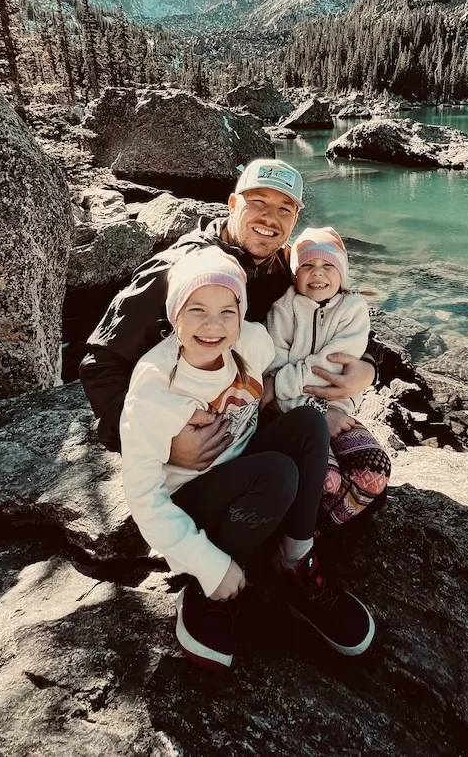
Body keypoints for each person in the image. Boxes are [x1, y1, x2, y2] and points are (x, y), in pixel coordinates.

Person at [120, 246, 375, 672]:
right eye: (196, 309)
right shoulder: (154, 387)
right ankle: (212, 588)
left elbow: (304, 363)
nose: (213, 325)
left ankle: (294, 561)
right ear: (174, 316)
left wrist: (367, 367)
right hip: (193, 494)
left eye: (227, 310)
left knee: (308, 425)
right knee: (277, 475)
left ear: (241, 314)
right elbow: (143, 496)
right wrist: (207, 565)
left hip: (244, 467)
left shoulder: (252, 342)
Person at [80, 158, 378, 464]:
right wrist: (159, 441)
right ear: (232, 204)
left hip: (258, 413)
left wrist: (367, 367)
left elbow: (341, 310)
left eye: (284, 209)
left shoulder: (284, 269)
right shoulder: (179, 271)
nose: (269, 217)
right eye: (258, 202)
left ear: (295, 219)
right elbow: (100, 363)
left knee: (367, 476)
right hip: (192, 429)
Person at [266, 227, 391, 531]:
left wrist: (332, 410)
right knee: (328, 478)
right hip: (292, 415)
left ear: (342, 272)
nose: (317, 273)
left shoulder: (353, 309)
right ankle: (299, 532)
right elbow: (272, 366)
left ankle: (322, 527)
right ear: (295, 274)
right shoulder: (281, 310)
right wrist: (315, 412)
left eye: (328, 266)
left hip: (337, 410)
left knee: (375, 471)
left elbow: (336, 366)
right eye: (307, 265)